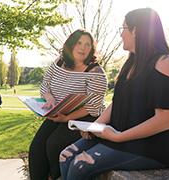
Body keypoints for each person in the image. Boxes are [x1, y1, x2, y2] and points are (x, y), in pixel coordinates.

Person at [59, 8, 169, 180]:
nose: (121, 34)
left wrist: (119, 137)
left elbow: (165, 120)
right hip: (120, 135)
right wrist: (94, 126)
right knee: (65, 156)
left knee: (80, 165)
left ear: (136, 30)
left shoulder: (166, 63)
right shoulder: (132, 62)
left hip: (152, 147)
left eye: (123, 28)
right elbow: (118, 101)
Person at [29, 29, 108, 180]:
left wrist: (66, 119)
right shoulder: (60, 62)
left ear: (92, 48)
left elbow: (93, 106)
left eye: (88, 44)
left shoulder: (96, 72)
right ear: (71, 44)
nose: (83, 47)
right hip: (57, 113)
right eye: (79, 43)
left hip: (83, 119)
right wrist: (49, 98)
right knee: (36, 149)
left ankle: (54, 176)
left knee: (54, 145)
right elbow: (45, 84)